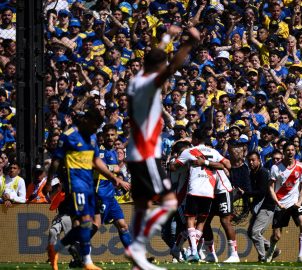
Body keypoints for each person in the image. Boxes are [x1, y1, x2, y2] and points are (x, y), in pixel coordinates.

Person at [125, 26, 200, 270]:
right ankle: (135, 248)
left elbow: (155, 58)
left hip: (134, 152)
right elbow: (172, 67)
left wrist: (167, 37)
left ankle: (138, 262)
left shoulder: (136, 80)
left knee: (142, 206)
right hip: (148, 153)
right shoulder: (149, 83)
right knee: (168, 202)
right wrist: (189, 44)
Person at [47, 109, 122, 270]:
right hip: (76, 185)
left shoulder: (93, 137)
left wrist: (112, 177)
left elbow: (96, 161)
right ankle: (87, 262)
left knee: (91, 223)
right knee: (85, 222)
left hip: (89, 186)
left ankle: (56, 248)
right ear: (86, 120)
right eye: (94, 126)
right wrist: (48, 181)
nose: (96, 130)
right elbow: (55, 161)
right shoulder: (68, 135)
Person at [170, 129, 231, 262]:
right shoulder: (214, 152)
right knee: (201, 222)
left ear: (196, 139)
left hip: (194, 189)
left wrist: (174, 162)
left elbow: (174, 167)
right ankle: (186, 250)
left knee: (190, 221)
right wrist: (208, 163)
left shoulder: (189, 152)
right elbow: (227, 164)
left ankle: (192, 252)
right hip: (209, 192)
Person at [266, 142, 302, 263]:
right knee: (276, 236)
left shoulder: (301, 167)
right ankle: (270, 252)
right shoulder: (275, 167)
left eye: (292, 150)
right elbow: (270, 187)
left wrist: (300, 202)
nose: (290, 152)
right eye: (288, 150)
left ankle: (301, 256)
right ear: (284, 152)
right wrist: (277, 202)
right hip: (281, 204)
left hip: (295, 203)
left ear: (295, 151)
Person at [93, 124, 132, 250]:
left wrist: (119, 178)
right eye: (107, 135)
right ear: (103, 136)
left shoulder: (113, 152)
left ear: (116, 136)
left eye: (112, 135)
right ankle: (78, 247)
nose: (110, 137)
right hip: (100, 194)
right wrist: (113, 169)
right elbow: (95, 166)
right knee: (95, 225)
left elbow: (113, 172)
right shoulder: (100, 150)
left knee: (123, 225)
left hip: (110, 196)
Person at [246, 151, 277, 262]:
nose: (251, 162)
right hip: (259, 207)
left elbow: (262, 192)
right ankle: (273, 249)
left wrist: (246, 193)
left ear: (259, 160)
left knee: (255, 233)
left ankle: (263, 257)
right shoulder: (252, 173)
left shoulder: (263, 172)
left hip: (267, 207)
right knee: (251, 233)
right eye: (249, 160)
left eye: (253, 160)